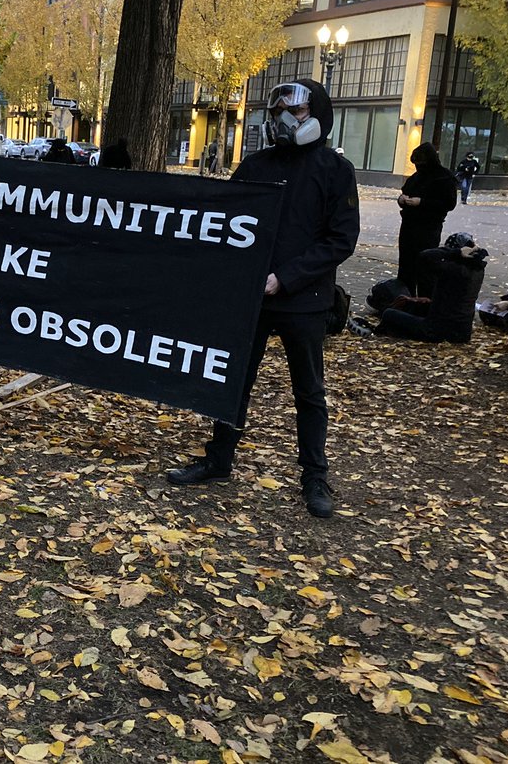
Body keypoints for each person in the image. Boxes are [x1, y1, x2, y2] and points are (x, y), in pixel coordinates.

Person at [166, 79, 360, 519]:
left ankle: (314, 476)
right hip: (251, 301)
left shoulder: (335, 170)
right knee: (234, 382)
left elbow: (340, 239)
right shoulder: (255, 165)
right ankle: (219, 459)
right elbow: (224, 221)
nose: (288, 123)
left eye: (299, 113)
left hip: (305, 301)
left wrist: (286, 278)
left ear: (318, 115)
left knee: (309, 392)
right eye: (280, 114)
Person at [349, 232, 488, 343]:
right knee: (415, 305)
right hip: (463, 331)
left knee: (389, 314)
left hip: (437, 330)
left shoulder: (451, 269)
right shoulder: (477, 270)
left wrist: (454, 253)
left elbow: (425, 256)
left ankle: (377, 332)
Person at [397, 142, 457, 295]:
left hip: (428, 228)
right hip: (409, 226)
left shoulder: (444, 178)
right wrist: (402, 199)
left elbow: (448, 204)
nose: (418, 167)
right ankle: (405, 297)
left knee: (425, 266)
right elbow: (405, 192)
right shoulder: (416, 177)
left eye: (420, 164)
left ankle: (424, 300)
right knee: (406, 265)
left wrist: (422, 202)